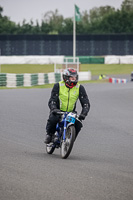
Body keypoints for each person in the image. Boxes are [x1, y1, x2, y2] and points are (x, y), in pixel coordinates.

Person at [44, 68, 90, 144]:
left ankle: (70, 139)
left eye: (75, 77)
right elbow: (52, 100)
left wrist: (83, 113)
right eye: (72, 78)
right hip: (58, 111)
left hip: (71, 112)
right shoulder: (58, 86)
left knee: (78, 124)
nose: (74, 79)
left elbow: (85, 103)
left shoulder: (80, 88)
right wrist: (54, 109)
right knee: (53, 119)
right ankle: (49, 134)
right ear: (66, 78)